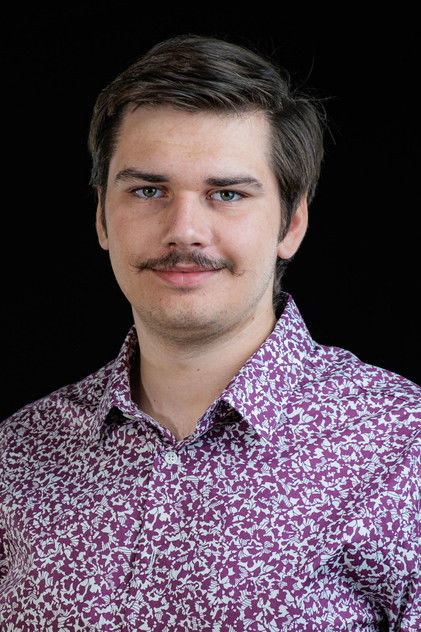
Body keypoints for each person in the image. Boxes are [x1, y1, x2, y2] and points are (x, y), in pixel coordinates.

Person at [0, 34, 419, 632]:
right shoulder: (18, 453)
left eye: (226, 194)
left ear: (291, 223)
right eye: (148, 191)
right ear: (101, 216)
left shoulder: (402, 447)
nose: (185, 230)